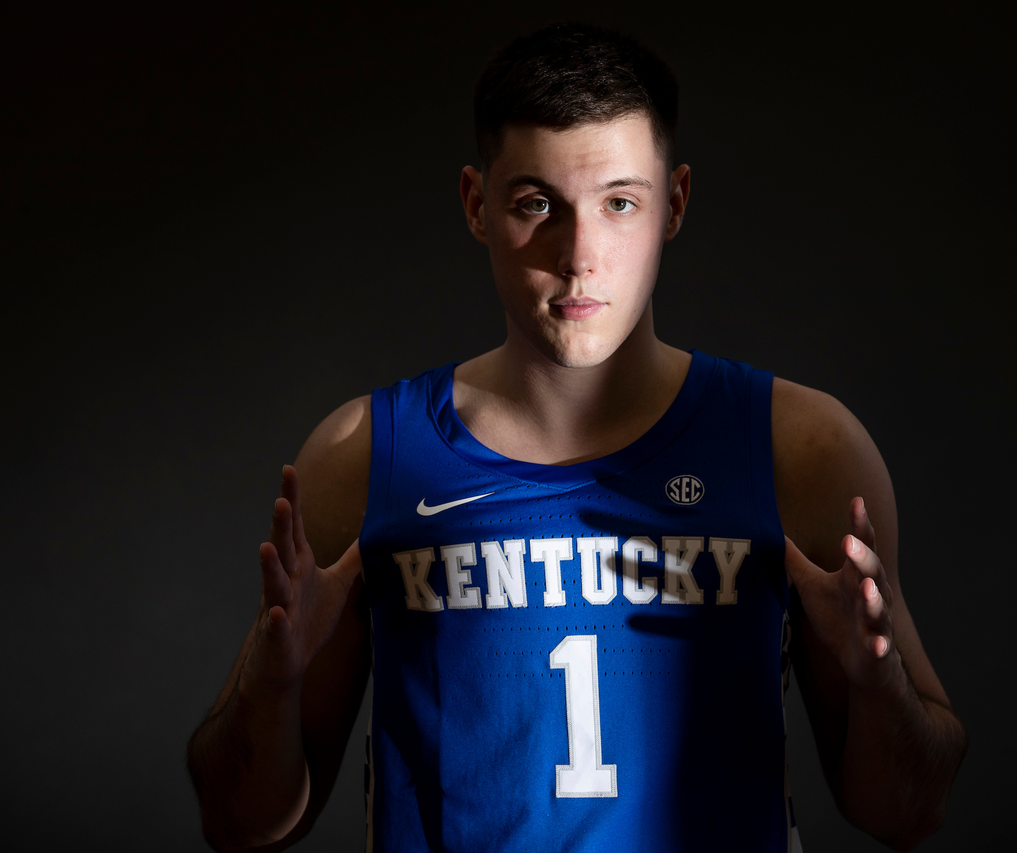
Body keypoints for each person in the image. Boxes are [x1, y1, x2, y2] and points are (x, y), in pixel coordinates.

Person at [187, 22, 967, 853]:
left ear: (674, 204)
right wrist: (273, 686)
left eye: (619, 203)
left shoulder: (799, 452)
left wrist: (878, 684)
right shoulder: (364, 459)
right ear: (476, 205)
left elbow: (906, 814)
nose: (579, 255)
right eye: (536, 204)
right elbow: (241, 825)